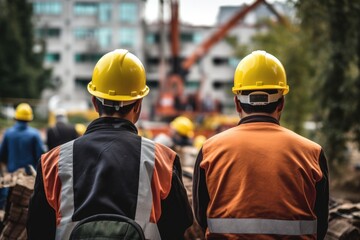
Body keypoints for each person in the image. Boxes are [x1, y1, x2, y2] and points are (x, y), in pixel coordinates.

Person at [26, 49, 193, 240]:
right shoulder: (163, 160)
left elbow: (37, 230)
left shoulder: (52, 162)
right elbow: (178, 226)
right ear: (138, 105)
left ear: (95, 103)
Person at [193, 50, 329, 239]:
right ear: (281, 103)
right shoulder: (312, 153)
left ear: (237, 103)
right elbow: (321, 225)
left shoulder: (210, 150)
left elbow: (201, 217)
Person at [0, 103, 45, 209]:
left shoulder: (8, 133)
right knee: (27, 210)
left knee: (8, 209)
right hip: (29, 181)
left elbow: (2, 156)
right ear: (29, 118)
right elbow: (42, 157)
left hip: (11, 181)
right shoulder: (34, 134)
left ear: (16, 117)